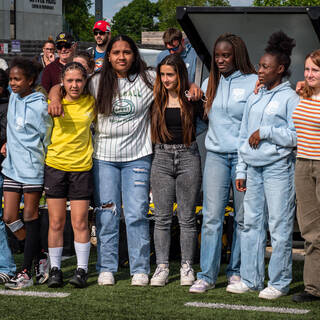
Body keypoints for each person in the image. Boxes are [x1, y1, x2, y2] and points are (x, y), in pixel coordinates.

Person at [226, 31, 298, 300]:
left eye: (266, 67)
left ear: (280, 69)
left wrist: (267, 131)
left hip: (279, 169)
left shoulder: (290, 98)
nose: (260, 71)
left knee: (278, 227)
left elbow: (295, 136)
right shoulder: (255, 96)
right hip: (253, 170)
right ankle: (251, 279)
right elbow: (244, 134)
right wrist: (241, 170)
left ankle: (279, 282)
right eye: (259, 65)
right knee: (250, 224)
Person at [189, 33, 257, 294]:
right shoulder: (209, 82)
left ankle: (236, 271)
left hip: (244, 158)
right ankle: (206, 275)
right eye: (217, 55)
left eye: (225, 55)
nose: (220, 59)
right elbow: (203, 120)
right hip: (216, 157)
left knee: (242, 218)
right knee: (211, 218)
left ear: (237, 55)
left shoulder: (253, 83)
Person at [149, 54, 204, 286]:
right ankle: (162, 266)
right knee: (161, 218)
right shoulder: (155, 97)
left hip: (188, 156)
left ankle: (186, 266)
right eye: (162, 75)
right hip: (161, 157)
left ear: (180, 75)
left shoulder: (192, 98)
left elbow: (209, 117)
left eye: (170, 75)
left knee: (187, 218)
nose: (165, 79)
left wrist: (197, 91)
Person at [2, 57, 52, 289]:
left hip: (32, 170)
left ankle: (25, 271)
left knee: (31, 217)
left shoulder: (41, 105)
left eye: (17, 79)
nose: (12, 83)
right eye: (11, 78)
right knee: (10, 217)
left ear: (30, 80)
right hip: (11, 168)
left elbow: (47, 137)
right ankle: (40, 252)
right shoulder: (13, 97)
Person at [46, 62, 95, 288]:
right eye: (70, 81)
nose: (74, 85)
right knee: (56, 221)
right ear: (62, 82)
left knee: (80, 222)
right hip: (55, 166)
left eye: (79, 80)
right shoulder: (53, 101)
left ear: (85, 81)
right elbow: (50, 91)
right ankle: (55, 269)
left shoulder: (92, 101)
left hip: (81, 168)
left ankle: (81, 270)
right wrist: (55, 96)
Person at [291, 49, 320, 303]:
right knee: (310, 230)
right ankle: (313, 288)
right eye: (307, 69)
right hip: (302, 164)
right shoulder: (303, 93)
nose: (309, 74)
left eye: (315, 70)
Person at [0, 69, 16, 284]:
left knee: (9, 219)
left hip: (7, 169)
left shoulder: (9, 105)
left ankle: (6, 265)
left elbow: (8, 135)